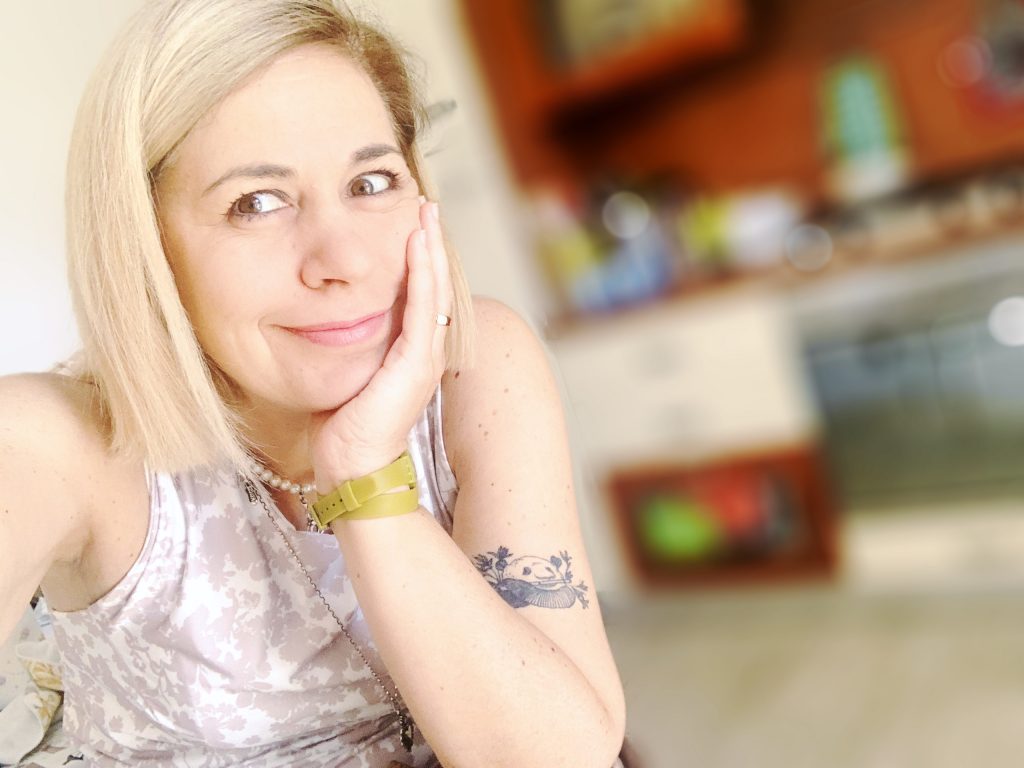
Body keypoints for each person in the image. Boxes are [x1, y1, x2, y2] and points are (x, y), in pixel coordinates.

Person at [0, 0, 627, 766]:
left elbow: (560, 755)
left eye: (371, 182)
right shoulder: (61, 440)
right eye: (256, 203)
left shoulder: (477, 361)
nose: (345, 261)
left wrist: (363, 470)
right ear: (145, 244)